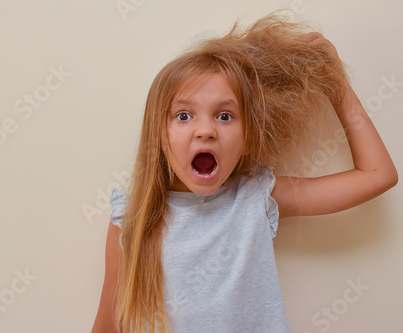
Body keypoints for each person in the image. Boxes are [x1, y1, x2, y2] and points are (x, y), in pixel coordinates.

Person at [92, 13, 398, 333]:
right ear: (158, 135)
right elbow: (107, 325)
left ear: (249, 138)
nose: (206, 130)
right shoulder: (133, 218)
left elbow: (378, 175)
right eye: (184, 115)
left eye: (225, 116)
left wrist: (336, 84)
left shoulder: (254, 199)